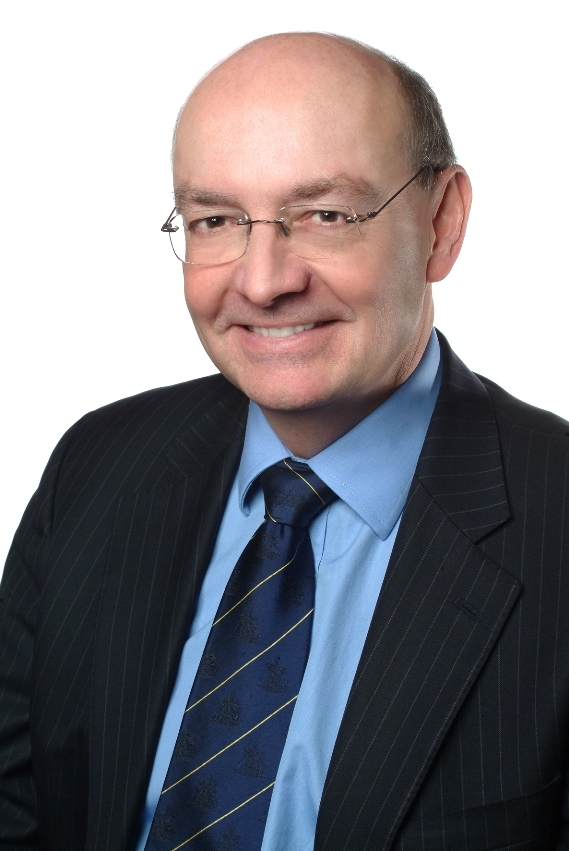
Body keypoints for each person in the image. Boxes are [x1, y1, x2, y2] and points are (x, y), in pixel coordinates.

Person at [1, 31, 568, 851]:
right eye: (216, 219)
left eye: (325, 215)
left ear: (441, 224)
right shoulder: (96, 467)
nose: (263, 281)